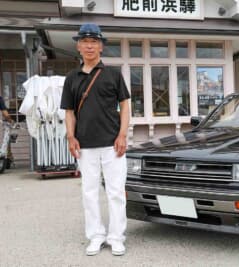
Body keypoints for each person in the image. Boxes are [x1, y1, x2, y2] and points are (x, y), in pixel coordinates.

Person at [61, 23, 130, 256]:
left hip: (113, 144)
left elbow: (125, 105)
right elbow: (69, 111)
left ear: (101, 46)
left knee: (116, 192)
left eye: (94, 42)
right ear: (79, 46)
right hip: (85, 144)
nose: (89, 46)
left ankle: (116, 237)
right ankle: (96, 236)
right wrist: (71, 137)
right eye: (85, 42)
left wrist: (122, 135)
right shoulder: (72, 78)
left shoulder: (113, 74)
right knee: (89, 192)